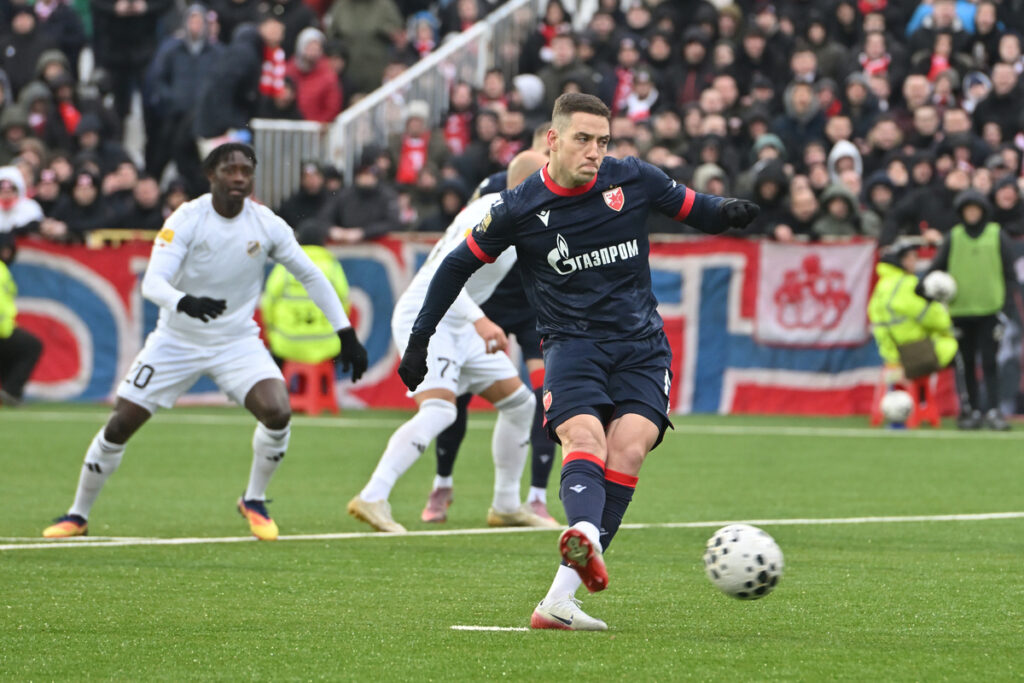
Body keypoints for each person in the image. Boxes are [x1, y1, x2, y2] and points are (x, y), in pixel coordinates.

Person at [398, 93, 759, 630]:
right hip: (572, 347)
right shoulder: (518, 208)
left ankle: (559, 599)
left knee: (629, 450)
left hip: (642, 347)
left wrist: (728, 211)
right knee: (585, 439)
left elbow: (693, 207)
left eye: (603, 141)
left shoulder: (631, 179)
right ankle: (585, 543)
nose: (595, 151)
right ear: (554, 139)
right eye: (583, 139)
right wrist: (420, 339)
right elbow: (453, 267)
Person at [41, 143, 368, 540]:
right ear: (210, 175)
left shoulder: (266, 224)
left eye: (246, 171)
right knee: (120, 423)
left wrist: (345, 333)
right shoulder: (187, 219)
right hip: (176, 340)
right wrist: (186, 302)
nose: (239, 178)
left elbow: (311, 275)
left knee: (278, 411)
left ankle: (254, 499)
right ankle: (78, 515)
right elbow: (153, 283)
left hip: (235, 341)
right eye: (230, 170)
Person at [347, 150, 559, 534]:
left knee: (520, 404)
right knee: (441, 411)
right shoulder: (488, 213)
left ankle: (507, 505)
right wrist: (481, 321)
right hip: (428, 312)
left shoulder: (520, 216)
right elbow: (442, 275)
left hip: (460, 319)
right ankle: (373, 495)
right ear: (533, 183)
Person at [928, 190, 1017, 430]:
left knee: (990, 362)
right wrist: (925, 287)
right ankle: (971, 410)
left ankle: (994, 411)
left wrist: (1006, 308)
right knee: (965, 363)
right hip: (961, 311)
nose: (972, 214)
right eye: (967, 209)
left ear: (983, 211)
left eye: (976, 209)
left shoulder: (996, 235)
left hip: (990, 310)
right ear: (961, 212)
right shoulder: (954, 237)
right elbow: (937, 268)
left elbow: (1010, 275)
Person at [867, 238, 958, 414]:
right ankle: (963, 407)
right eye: (912, 257)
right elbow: (934, 319)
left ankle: (917, 401)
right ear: (902, 260)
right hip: (911, 354)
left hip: (889, 353)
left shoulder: (883, 284)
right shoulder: (907, 285)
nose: (915, 261)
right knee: (960, 347)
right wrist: (946, 318)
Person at [260, 219, 350, 365]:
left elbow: (268, 302)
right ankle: (323, 386)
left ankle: (288, 387)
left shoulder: (285, 268)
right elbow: (344, 304)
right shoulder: (332, 268)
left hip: (287, 345)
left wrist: (271, 333)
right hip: (327, 345)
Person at [0, 236, 44, 406]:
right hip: (2, 330)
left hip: (5, 329)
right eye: (3, 249)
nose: (6, 253)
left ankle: (8, 392)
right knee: (32, 346)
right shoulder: (2, 271)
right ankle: (11, 392)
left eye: (9, 250)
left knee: (11, 351)